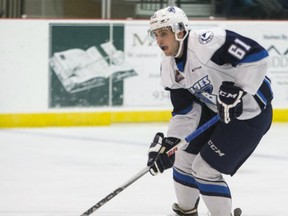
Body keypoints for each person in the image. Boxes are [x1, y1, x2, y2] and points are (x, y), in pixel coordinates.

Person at [146, 6, 273, 216]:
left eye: (163, 33)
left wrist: (239, 90)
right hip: (215, 112)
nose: (159, 40)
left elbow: (258, 56)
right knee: (182, 158)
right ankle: (186, 212)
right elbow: (185, 110)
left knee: (205, 170)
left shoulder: (208, 42)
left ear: (179, 31)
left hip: (249, 114)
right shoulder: (169, 68)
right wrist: (171, 142)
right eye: (156, 34)